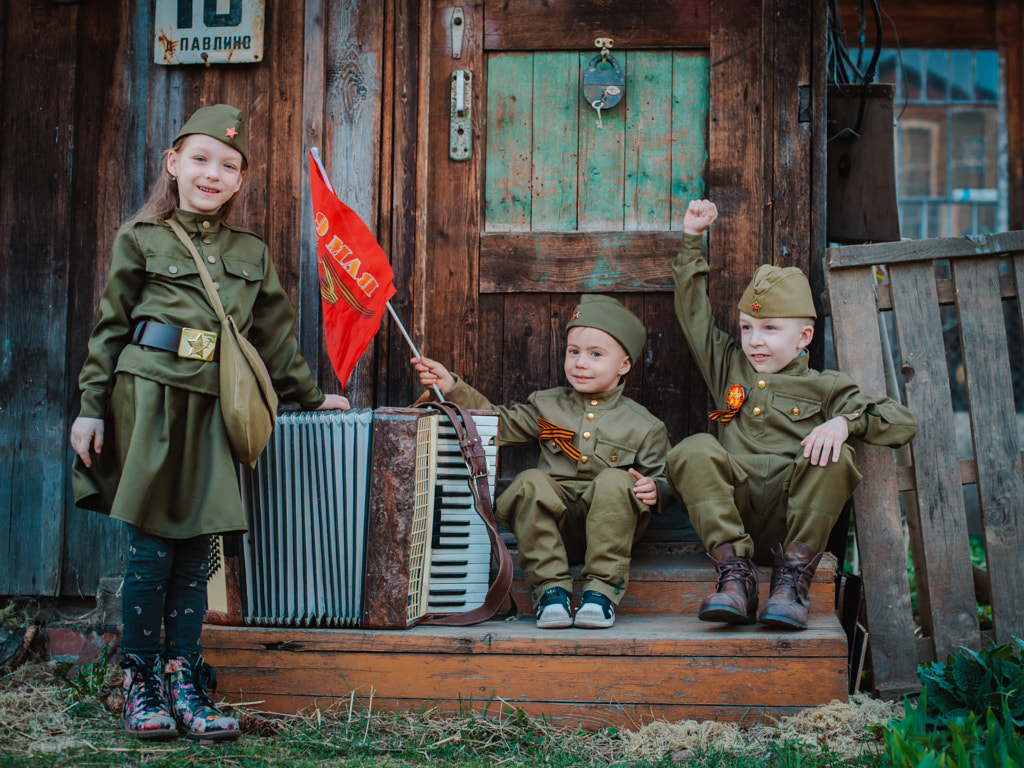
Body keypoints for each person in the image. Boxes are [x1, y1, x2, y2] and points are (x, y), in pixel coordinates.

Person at [69, 105, 349, 741]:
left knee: (198, 554)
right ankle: (139, 680)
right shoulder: (140, 239)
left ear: (241, 180)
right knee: (150, 551)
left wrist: (307, 396)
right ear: (173, 165)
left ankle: (184, 677)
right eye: (199, 159)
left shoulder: (250, 252)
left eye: (228, 165)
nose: (212, 173)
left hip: (213, 407)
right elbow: (110, 328)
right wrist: (90, 408)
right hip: (149, 402)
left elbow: (274, 337)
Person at [668, 199, 917, 630]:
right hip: (733, 518)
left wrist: (844, 422)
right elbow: (694, 315)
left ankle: (791, 585)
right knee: (693, 449)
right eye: (746, 327)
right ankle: (736, 582)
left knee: (837, 457)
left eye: (769, 329)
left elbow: (901, 423)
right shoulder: (729, 366)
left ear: (804, 336)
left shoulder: (827, 386)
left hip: (793, 523)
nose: (754, 341)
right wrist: (692, 239)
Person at [412, 295, 670, 630]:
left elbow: (662, 478)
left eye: (595, 355)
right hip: (552, 532)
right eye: (573, 351)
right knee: (530, 481)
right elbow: (495, 425)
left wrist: (656, 489)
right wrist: (452, 387)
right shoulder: (546, 406)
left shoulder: (644, 424)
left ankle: (601, 594)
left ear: (623, 365)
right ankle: (551, 593)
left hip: (610, 532)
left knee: (616, 481)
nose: (580, 362)